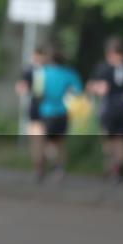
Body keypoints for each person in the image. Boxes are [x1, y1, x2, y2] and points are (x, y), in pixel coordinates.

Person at [88, 36, 123, 182]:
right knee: (121, 140)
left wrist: (96, 90)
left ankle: (111, 167)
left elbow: (96, 88)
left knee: (109, 140)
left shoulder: (103, 69)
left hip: (109, 108)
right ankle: (118, 169)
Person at [35, 45, 83, 183]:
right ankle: (60, 169)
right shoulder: (70, 73)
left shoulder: (42, 73)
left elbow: (38, 93)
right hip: (63, 111)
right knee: (60, 142)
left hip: (47, 111)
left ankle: (43, 167)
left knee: (45, 142)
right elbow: (78, 91)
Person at [17, 47, 48, 168]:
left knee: (35, 136)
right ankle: (44, 156)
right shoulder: (49, 70)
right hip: (48, 106)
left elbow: (22, 88)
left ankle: (38, 162)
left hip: (35, 105)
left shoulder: (30, 70)